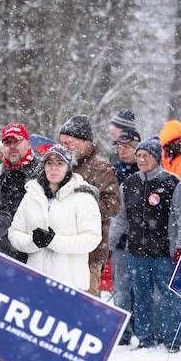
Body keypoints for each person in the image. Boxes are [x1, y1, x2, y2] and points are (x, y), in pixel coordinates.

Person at [8, 145, 101, 361]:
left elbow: (91, 238)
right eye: (49, 163)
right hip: (40, 281)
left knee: (72, 345)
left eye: (59, 163)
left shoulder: (82, 197)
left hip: (70, 282)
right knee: (46, 345)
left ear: (69, 167)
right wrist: (33, 242)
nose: (53, 168)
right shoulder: (32, 196)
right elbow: (15, 233)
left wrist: (54, 241)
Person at [108, 136, 181, 352]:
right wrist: (108, 246)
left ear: (157, 157)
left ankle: (173, 340)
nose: (141, 160)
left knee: (169, 296)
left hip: (165, 252)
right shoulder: (128, 184)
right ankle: (145, 339)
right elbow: (120, 219)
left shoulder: (173, 183)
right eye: (138, 156)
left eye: (146, 156)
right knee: (142, 296)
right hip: (136, 251)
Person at [0, 123, 44, 361]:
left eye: (17, 141)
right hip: (4, 251)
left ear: (27, 144)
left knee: (34, 317)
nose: (12, 147)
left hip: (37, 251)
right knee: (5, 317)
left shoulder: (44, 169)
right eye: (7, 142)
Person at [57, 115, 121, 297]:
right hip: (64, 249)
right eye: (62, 143)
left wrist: (83, 209)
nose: (65, 148)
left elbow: (113, 204)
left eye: (68, 143)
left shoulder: (101, 167)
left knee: (86, 306)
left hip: (89, 253)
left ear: (85, 142)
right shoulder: (66, 165)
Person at [110, 128, 140, 345]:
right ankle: (122, 332)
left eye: (126, 147)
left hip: (146, 239)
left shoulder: (147, 168)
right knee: (121, 289)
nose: (122, 151)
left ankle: (143, 328)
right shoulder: (113, 171)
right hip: (120, 239)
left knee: (143, 289)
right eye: (119, 147)